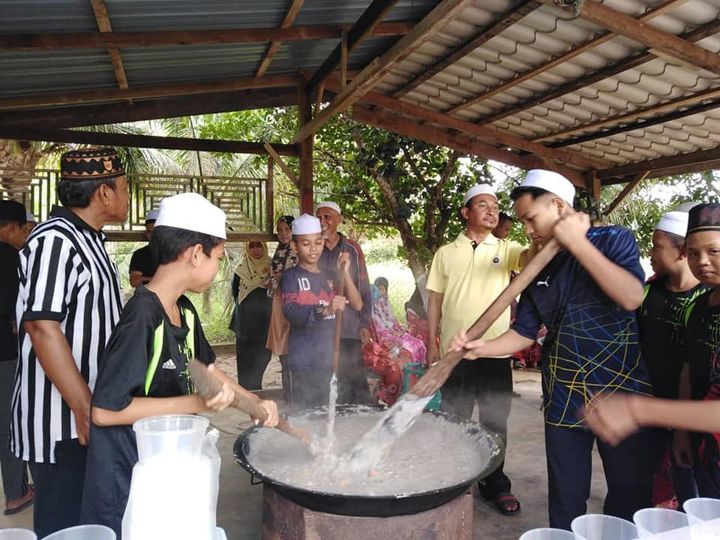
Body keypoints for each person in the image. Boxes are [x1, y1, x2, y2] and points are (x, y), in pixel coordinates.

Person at [450, 170, 653, 529]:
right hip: (563, 396)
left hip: (620, 391)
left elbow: (631, 296)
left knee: (628, 491)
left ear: (558, 205)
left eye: (531, 218)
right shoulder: (537, 264)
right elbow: (524, 332)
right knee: (566, 496)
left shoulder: (611, 239)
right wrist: (481, 348)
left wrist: (577, 244)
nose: (527, 230)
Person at [80, 193, 278, 537]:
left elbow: (210, 370)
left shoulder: (183, 309)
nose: (219, 268)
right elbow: (105, 412)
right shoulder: (142, 315)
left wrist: (254, 403)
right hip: (128, 476)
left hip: (163, 467)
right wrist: (194, 404)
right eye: (218, 256)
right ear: (195, 254)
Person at [11, 147, 129, 537]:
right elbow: (42, 326)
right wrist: (82, 405)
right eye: (125, 188)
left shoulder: (90, 239)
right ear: (104, 193)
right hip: (62, 422)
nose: (127, 197)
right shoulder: (56, 239)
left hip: (87, 415)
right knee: (64, 524)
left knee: (89, 522)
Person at [584, 202, 720, 499]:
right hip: (693, 436)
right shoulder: (701, 307)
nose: (703, 261)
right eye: (695, 252)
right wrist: (681, 430)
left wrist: (637, 410)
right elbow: (688, 365)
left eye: (714, 251)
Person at [427, 183, 531, 516]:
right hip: (454, 356)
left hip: (494, 354)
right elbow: (435, 300)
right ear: (465, 212)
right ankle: (455, 480)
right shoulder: (446, 253)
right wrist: (432, 342)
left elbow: (531, 257)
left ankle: (494, 484)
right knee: (454, 419)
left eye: (496, 206)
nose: (492, 210)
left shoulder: (508, 249)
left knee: (494, 422)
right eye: (483, 205)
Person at [639, 210, 707, 506]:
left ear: (680, 252)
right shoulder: (646, 292)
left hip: (690, 411)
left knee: (688, 482)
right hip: (647, 404)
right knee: (641, 475)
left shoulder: (707, 300)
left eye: (656, 245)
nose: (650, 253)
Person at [281, 214, 362, 409]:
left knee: (327, 413)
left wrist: (345, 273)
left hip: (328, 360)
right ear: (294, 246)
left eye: (318, 243)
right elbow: (291, 311)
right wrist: (325, 309)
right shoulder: (291, 277)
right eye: (306, 243)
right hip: (303, 363)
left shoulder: (329, 277)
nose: (313, 248)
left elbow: (358, 304)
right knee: (305, 415)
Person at [316, 201, 373, 405]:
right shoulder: (314, 247)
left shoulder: (352, 249)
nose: (322, 221)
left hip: (349, 324)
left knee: (352, 375)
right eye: (319, 217)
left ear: (339, 220)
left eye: (327, 217)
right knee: (324, 377)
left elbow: (364, 285)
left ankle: (355, 417)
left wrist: (365, 322)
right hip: (321, 323)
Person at [0, 200, 33, 516]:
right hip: (6, 355)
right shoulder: (12, 258)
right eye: (24, 229)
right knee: (10, 424)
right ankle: (16, 493)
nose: (25, 236)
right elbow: (16, 315)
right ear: (11, 227)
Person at [231, 241, 272, 389]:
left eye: (259, 245)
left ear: (264, 247)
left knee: (263, 357)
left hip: (265, 324)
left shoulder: (273, 267)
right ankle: (246, 391)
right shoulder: (240, 270)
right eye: (252, 246)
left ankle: (256, 386)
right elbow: (235, 293)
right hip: (245, 324)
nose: (256, 250)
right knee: (245, 360)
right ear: (247, 249)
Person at [266, 216, 298, 398]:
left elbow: (300, 276)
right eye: (280, 230)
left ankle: (295, 394)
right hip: (279, 303)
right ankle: (289, 393)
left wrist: (282, 278)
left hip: (293, 302)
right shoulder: (280, 251)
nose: (283, 234)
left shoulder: (297, 250)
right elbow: (276, 275)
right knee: (283, 352)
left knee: (292, 346)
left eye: (287, 229)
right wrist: (271, 281)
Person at [129, 209, 159, 287]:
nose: (152, 236)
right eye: (149, 232)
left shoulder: (173, 252)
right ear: (146, 232)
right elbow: (134, 281)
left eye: (155, 232)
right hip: (147, 296)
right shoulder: (140, 254)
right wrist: (159, 279)